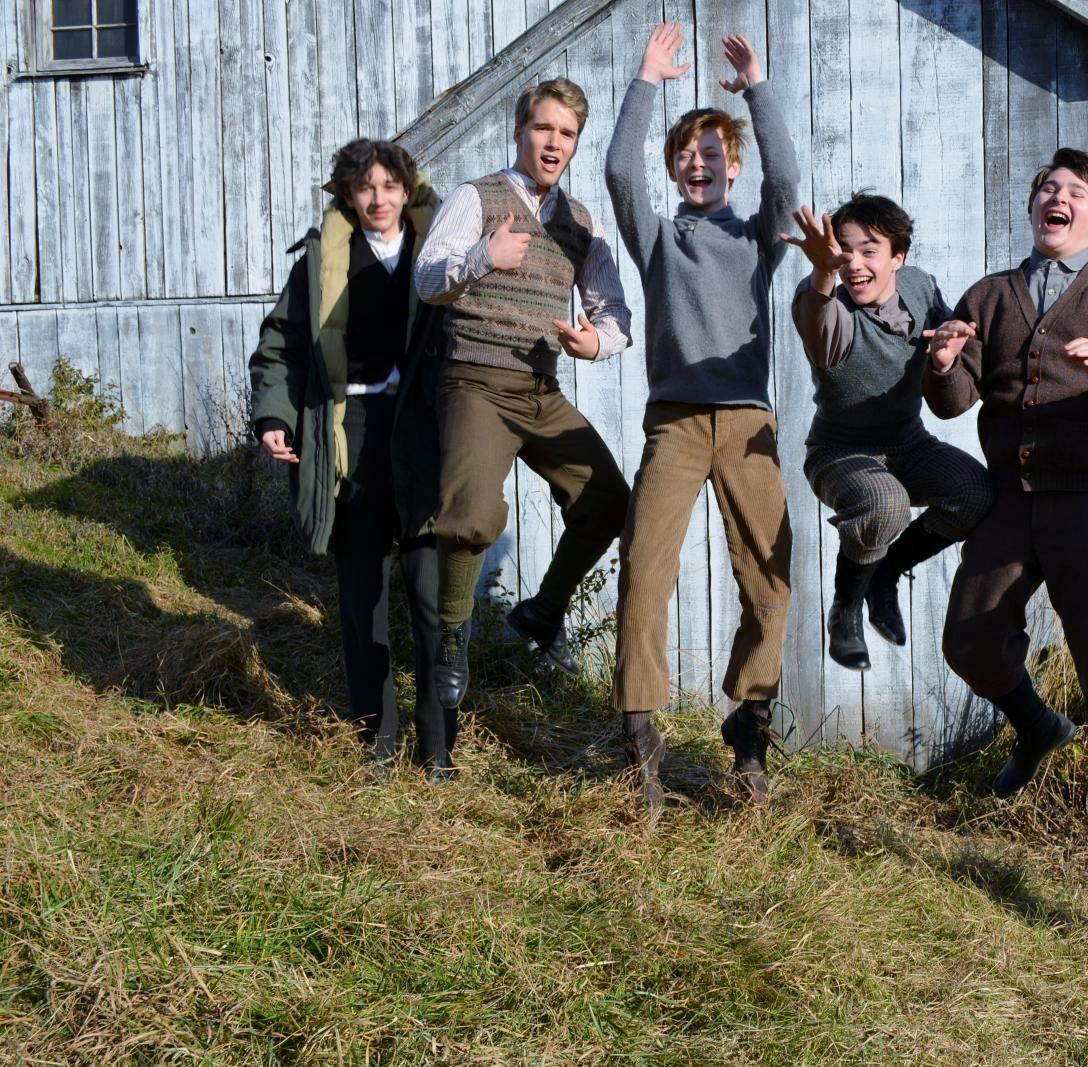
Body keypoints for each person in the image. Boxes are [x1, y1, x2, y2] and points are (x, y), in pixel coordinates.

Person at [924, 147, 1088, 890]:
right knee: (969, 639)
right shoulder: (988, 296)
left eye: (1073, 193)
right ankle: (1036, 726)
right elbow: (953, 402)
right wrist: (941, 363)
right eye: (1046, 188)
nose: (1056, 198)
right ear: (1034, 207)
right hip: (1010, 500)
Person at [604, 22, 799, 808]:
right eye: (686, 154)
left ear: (733, 166)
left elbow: (788, 178)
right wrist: (646, 81)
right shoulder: (658, 239)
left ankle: (749, 725)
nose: (698, 162)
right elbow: (619, 171)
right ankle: (640, 739)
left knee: (770, 579)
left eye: (712, 152)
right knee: (644, 572)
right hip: (677, 423)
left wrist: (756, 90)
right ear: (674, 170)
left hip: (748, 426)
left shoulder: (758, 239)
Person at [414, 76, 633, 709]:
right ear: (519, 132)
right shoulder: (476, 197)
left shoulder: (580, 222)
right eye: (544, 128)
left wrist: (598, 342)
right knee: (472, 516)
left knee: (609, 503)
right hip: (475, 381)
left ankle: (543, 610)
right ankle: (450, 641)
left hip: (540, 389)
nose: (554, 143)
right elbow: (428, 280)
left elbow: (614, 309)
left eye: (567, 133)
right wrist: (483, 256)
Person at [250, 138, 453, 780]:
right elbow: (280, 347)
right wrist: (275, 417)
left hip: (423, 433)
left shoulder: (441, 250)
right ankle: (377, 739)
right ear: (346, 194)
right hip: (351, 430)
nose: (378, 199)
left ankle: (439, 746)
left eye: (389, 186)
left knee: (432, 595)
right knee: (363, 594)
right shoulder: (318, 261)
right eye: (365, 187)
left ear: (407, 190)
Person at [782, 195, 992, 671]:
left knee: (975, 493)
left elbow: (950, 346)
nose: (853, 263)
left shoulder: (920, 286)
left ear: (898, 257)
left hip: (909, 444)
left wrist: (947, 350)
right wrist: (822, 272)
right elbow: (816, 315)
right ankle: (846, 609)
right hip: (839, 452)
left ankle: (885, 574)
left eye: (869, 250)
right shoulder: (829, 309)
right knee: (884, 502)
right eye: (844, 250)